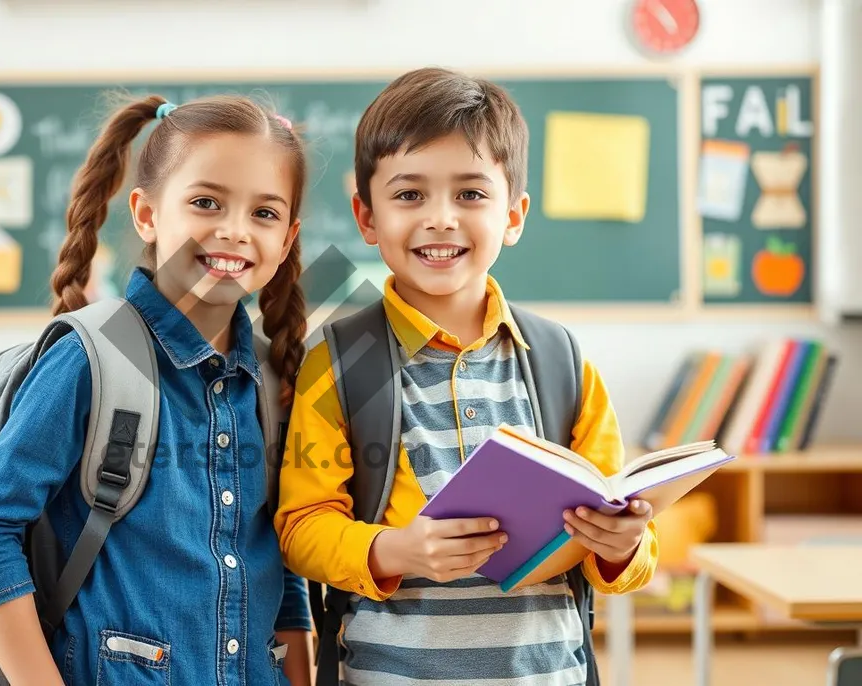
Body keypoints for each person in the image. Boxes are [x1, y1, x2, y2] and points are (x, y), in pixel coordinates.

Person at [274, 67, 659, 685]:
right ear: (366, 217)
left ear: (514, 215)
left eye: (472, 194)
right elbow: (301, 526)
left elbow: (624, 540)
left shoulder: (560, 359)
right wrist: (395, 549)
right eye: (409, 195)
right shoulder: (341, 362)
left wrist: (623, 546)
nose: (441, 218)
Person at [0, 93, 315, 686]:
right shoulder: (94, 357)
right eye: (205, 202)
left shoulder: (271, 379)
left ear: (288, 238)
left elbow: (274, 562)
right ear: (146, 214)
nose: (235, 231)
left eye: (264, 213)